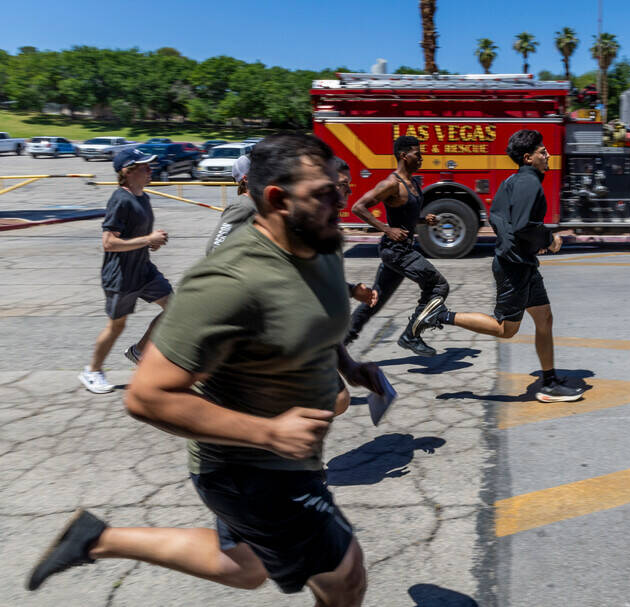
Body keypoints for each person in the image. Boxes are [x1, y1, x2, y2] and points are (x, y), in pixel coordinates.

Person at [29, 134, 385, 606]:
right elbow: (147, 396)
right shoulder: (229, 281)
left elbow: (315, 317)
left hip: (290, 456)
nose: (340, 198)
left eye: (338, 186)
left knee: (242, 567)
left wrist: (350, 366)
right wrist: (268, 433)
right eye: (324, 192)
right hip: (249, 468)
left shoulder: (319, 243)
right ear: (277, 200)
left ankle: (97, 539)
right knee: (344, 577)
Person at [409, 129, 584, 403]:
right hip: (515, 266)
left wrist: (521, 243)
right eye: (542, 151)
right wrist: (549, 240)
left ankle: (549, 382)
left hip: (521, 261)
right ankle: (440, 315)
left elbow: (498, 218)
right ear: (528, 157)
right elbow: (525, 225)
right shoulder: (528, 183)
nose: (548, 155)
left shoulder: (513, 181)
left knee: (544, 317)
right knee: (506, 329)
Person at [207, 155, 377, 306]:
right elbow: (215, 249)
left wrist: (350, 290)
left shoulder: (270, 209)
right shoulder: (244, 206)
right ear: (247, 179)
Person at [79, 147, 173, 394]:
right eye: (144, 166)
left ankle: (140, 351)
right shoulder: (120, 199)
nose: (150, 170)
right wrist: (147, 239)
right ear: (128, 172)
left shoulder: (143, 197)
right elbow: (109, 242)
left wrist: (152, 242)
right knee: (116, 326)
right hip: (121, 276)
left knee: (176, 308)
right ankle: (92, 371)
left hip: (144, 270)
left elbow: (138, 236)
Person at [345, 136, 444, 356]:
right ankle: (412, 335)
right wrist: (387, 229)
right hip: (395, 250)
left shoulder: (414, 183)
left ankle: (341, 344)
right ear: (403, 155)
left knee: (375, 300)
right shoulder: (391, 184)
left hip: (402, 249)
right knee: (438, 286)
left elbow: (405, 216)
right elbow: (358, 207)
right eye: (417, 154)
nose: (421, 158)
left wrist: (422, 220)